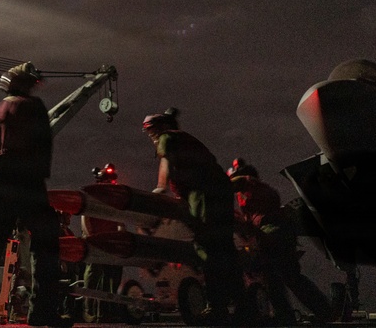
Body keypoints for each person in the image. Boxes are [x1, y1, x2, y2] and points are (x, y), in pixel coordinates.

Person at [0, 62, 72, 328]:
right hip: (25, 176)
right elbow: (43, 148)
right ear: (26, 84)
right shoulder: (34, 107)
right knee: (46, 240)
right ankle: (42, 311)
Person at [142, 108, 253, 325]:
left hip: (204, 196)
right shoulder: (186, 140)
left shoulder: (168, 138)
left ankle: (217, 307)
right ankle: (244, 306)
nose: (152, 136)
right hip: (219, 193)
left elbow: (167, 161)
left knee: (208, 248)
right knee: (226, 250)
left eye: (152, 131)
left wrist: (160, 188)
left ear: (161, 128)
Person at [229, 162, 332, 324]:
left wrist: (219, 188)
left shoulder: (253, 187)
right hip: (273, 235)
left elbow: (243, 181)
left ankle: (309, 312)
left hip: (275, 234)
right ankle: (311, 312)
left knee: (281, 275)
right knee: (281, 277)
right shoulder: (252, 197)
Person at [81, 164, 125, 323]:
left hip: (111, 242)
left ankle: (104, 312)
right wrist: (91, 237)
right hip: (95, 242)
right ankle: (89, 310)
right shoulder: (93, 196)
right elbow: (85, 218)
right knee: (93, 275)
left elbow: (120, 220)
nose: (111, 184)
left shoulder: (114, 200)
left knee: (110, 277)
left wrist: (121, 237)